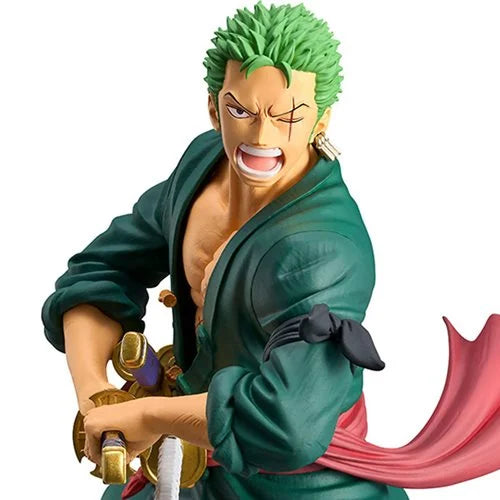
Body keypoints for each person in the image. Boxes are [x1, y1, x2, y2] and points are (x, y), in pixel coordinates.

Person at [42, 3, 499, 499]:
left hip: (295, 483)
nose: (262, 137)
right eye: (242, 111)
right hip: (185, 453)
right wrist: (95, 394)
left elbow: (288, 424)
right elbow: (102, 270)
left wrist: (149, 415)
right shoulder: (202, 166)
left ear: (321, 120)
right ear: (214, 108)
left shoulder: (321, 249)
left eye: (289, 117)